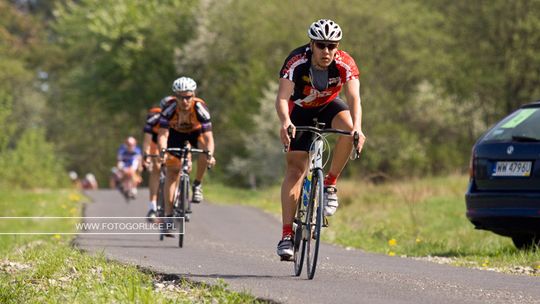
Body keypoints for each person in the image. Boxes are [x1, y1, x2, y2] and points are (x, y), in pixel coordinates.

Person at [274, 19, 366, 260]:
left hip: (328, 106)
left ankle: (330, 183)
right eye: (321, 45)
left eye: (332, 46)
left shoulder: (345, 62)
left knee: (348, 130)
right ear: (311, 45)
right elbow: (283, 97)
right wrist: (286, 122)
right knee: (295, 171)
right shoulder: (296, 61)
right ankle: (286, 235)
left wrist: (358, 127)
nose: (327, 51)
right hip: (300, 110)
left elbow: (354, 97)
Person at [157, 77, 216, 233]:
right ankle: (169, 217)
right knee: (172, 172)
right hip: (175, 135)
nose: (185, 101)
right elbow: (162, 134)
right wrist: (162, 151)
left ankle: (197, 184)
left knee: (205, 149)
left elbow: (209, 137)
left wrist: (210, 154)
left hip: (195, 133)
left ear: (193, 95)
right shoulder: (169, 109)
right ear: (175, 96)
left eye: (188, 97)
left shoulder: (200, 107)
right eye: (181, 97)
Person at [142, 105, 163, 219]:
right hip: (155, 142)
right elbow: (147, 143)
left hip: (171, 141)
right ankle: (152, 206)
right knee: (156, 168)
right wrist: (147, 158)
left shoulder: (176, 119)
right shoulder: (152, 121)